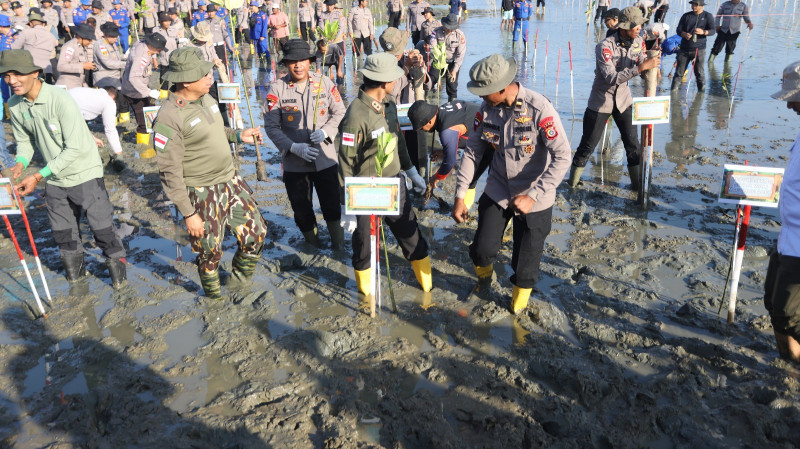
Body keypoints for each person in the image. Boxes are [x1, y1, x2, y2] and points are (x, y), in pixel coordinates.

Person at [452, 54, 570, 314]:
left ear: (502, 88)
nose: (481, 99)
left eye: (485, 93)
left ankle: (516, 311)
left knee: (525, 268)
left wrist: (534, 195)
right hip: (498, 190)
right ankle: (483, 282)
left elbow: (563, 157)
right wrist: (461, 194)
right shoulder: (486, 110)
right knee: (481, 250)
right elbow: (473, 152)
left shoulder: (540, 109)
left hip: (535, 196)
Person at [2, 49, 128, 289]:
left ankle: (120, 285)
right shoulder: (15, 104)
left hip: (84, 173)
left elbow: (75, 149)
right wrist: (20, 164)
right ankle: (77, 285)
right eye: (7, 76)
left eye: (17, 74)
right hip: (55, 179)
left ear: (36, 73)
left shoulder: (60, 100)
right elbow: (26, 142)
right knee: (64, 236)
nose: (12, 81)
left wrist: (38, 176)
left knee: (103, 231)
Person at [153, 47, 268, 299]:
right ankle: (214, 300)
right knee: (210, 252)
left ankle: (238, 283)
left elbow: (219, 131)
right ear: (185, 80)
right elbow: (169, 173)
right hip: (201, 192)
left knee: (256, 233)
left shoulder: (208, 99)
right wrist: (189, 213)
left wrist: (239, 135)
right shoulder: (168, 118)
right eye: (204, 74)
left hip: (231, 181)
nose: (210, 78)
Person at [336, 53, 431, 296]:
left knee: (411, 237)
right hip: (365, 192)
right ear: (384, 82)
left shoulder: (387, 106)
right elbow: (346, 162)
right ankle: (365, 297)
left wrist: (411, 172)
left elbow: (397, 141)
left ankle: (427, 287)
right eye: (394, 79)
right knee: (365, 246)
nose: (397, 82)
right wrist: (345, 205)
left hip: (393, 186)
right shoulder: (356, 115)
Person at [264, 39, 346, 248]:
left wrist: (326, 131)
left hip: (325, 159)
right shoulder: (278, 89)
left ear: (310, 62)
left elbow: (339, 113)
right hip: (295, 164)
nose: (298, 65)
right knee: (301, 209)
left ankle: (338, 246)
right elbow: (272, 127)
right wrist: (293, 147)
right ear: (286, 64)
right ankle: (314, 244)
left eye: (302, 60)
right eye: (292, 61)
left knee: (332, 206)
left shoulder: (324, 83)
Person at [568, 6, 659, 190]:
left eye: (641, 26)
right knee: (587, 146)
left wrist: (651, 65)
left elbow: (642, 63)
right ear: (625, 28)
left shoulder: (638, 41)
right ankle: (572, 184)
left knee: (633, 146)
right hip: (601, 101)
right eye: (636, 27)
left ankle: (636, 186)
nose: (639, 29)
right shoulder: (604, 47)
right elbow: (612, 78)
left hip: (624, 101)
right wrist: (640, 69)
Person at [764, 61, 800, 363]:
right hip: (787, 237)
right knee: (775, 306)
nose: (790, 106)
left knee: (789, 315)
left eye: (794, 98)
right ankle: (788, 366)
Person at [407, 99, 490, 210]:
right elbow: (464, 137)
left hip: (492, 138)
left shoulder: (446, 130)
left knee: (475, 179)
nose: (422, 130)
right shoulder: (444, 109)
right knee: (475, 179)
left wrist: (436, 177)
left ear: (429, 121)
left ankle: (462, 212)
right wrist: (444, 152)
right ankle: (465, 210)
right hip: (484, 125)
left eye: (421, 128)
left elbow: (450, 162)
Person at [121, 32, 166, 154]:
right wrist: (149, 92)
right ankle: (144, 151)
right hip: (134, 92)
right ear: (153, 46)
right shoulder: (142, 56)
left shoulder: (140, 44)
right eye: (158, 50)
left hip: (134, 88)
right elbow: (134, 78)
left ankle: (147, 142)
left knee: (149, 115)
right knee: (144, 122)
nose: (158, 52)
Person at [68, 85, 127, 172]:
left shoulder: (89, 92)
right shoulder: (109, 102)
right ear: (113, 98)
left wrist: (92, 137)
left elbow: (79, 122)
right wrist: (119, 154)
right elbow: (110, 130)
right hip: (66, 112)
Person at [670, 0, 714, 92]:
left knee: (699, 73)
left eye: (696, 4)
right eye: (692, 4)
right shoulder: (686, 16)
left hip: (699, 50)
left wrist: (703, 32)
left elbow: (713, 30)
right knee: (678, 73)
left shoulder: (707, 16)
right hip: (684, 49)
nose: (694, 6)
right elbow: (678, 30)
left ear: (701, 6)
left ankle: (701, 92)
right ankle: (673, 93)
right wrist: (684, 34)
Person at [11, 12, 58, 84]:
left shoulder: (26, 32)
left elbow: (14, 48)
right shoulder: (51, 36)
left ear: (30, 24)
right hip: (46, 69)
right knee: (46, 92)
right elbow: (52, 48)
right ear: (42, 23)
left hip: (30, 69)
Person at [94, 22, 127, 119]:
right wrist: (126, 64)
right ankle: (112, 123)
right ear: (106, 35)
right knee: (112, 105)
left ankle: (123, 122)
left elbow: (116, 57)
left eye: (116, 36)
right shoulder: (100, 46)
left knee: (122, 102)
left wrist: (125, 57)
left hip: (115, 77)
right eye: (113, 36)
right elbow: (108, 63)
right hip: (105, 79)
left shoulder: (112, 43)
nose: (115, 38)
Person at [430, 13, 465, 102]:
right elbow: (432, 47)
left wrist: (454, 71)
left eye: (450, 27)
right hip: (438, 61)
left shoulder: (460, 35)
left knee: (452, 86)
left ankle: (452, 105)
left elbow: (460, 55)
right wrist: (439, 61)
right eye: (446, 26)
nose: (448, 29)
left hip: (452, 62)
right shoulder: (435, 32)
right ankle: (429, 102)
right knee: (431, 80)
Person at [56, 23, 96, 89]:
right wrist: (83, 66)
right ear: (80, 37)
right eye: (89, 39)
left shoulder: (82, 47)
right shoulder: (70, 46)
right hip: (67, 86)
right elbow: (61, 66)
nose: (91, 41)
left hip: (78, 85)